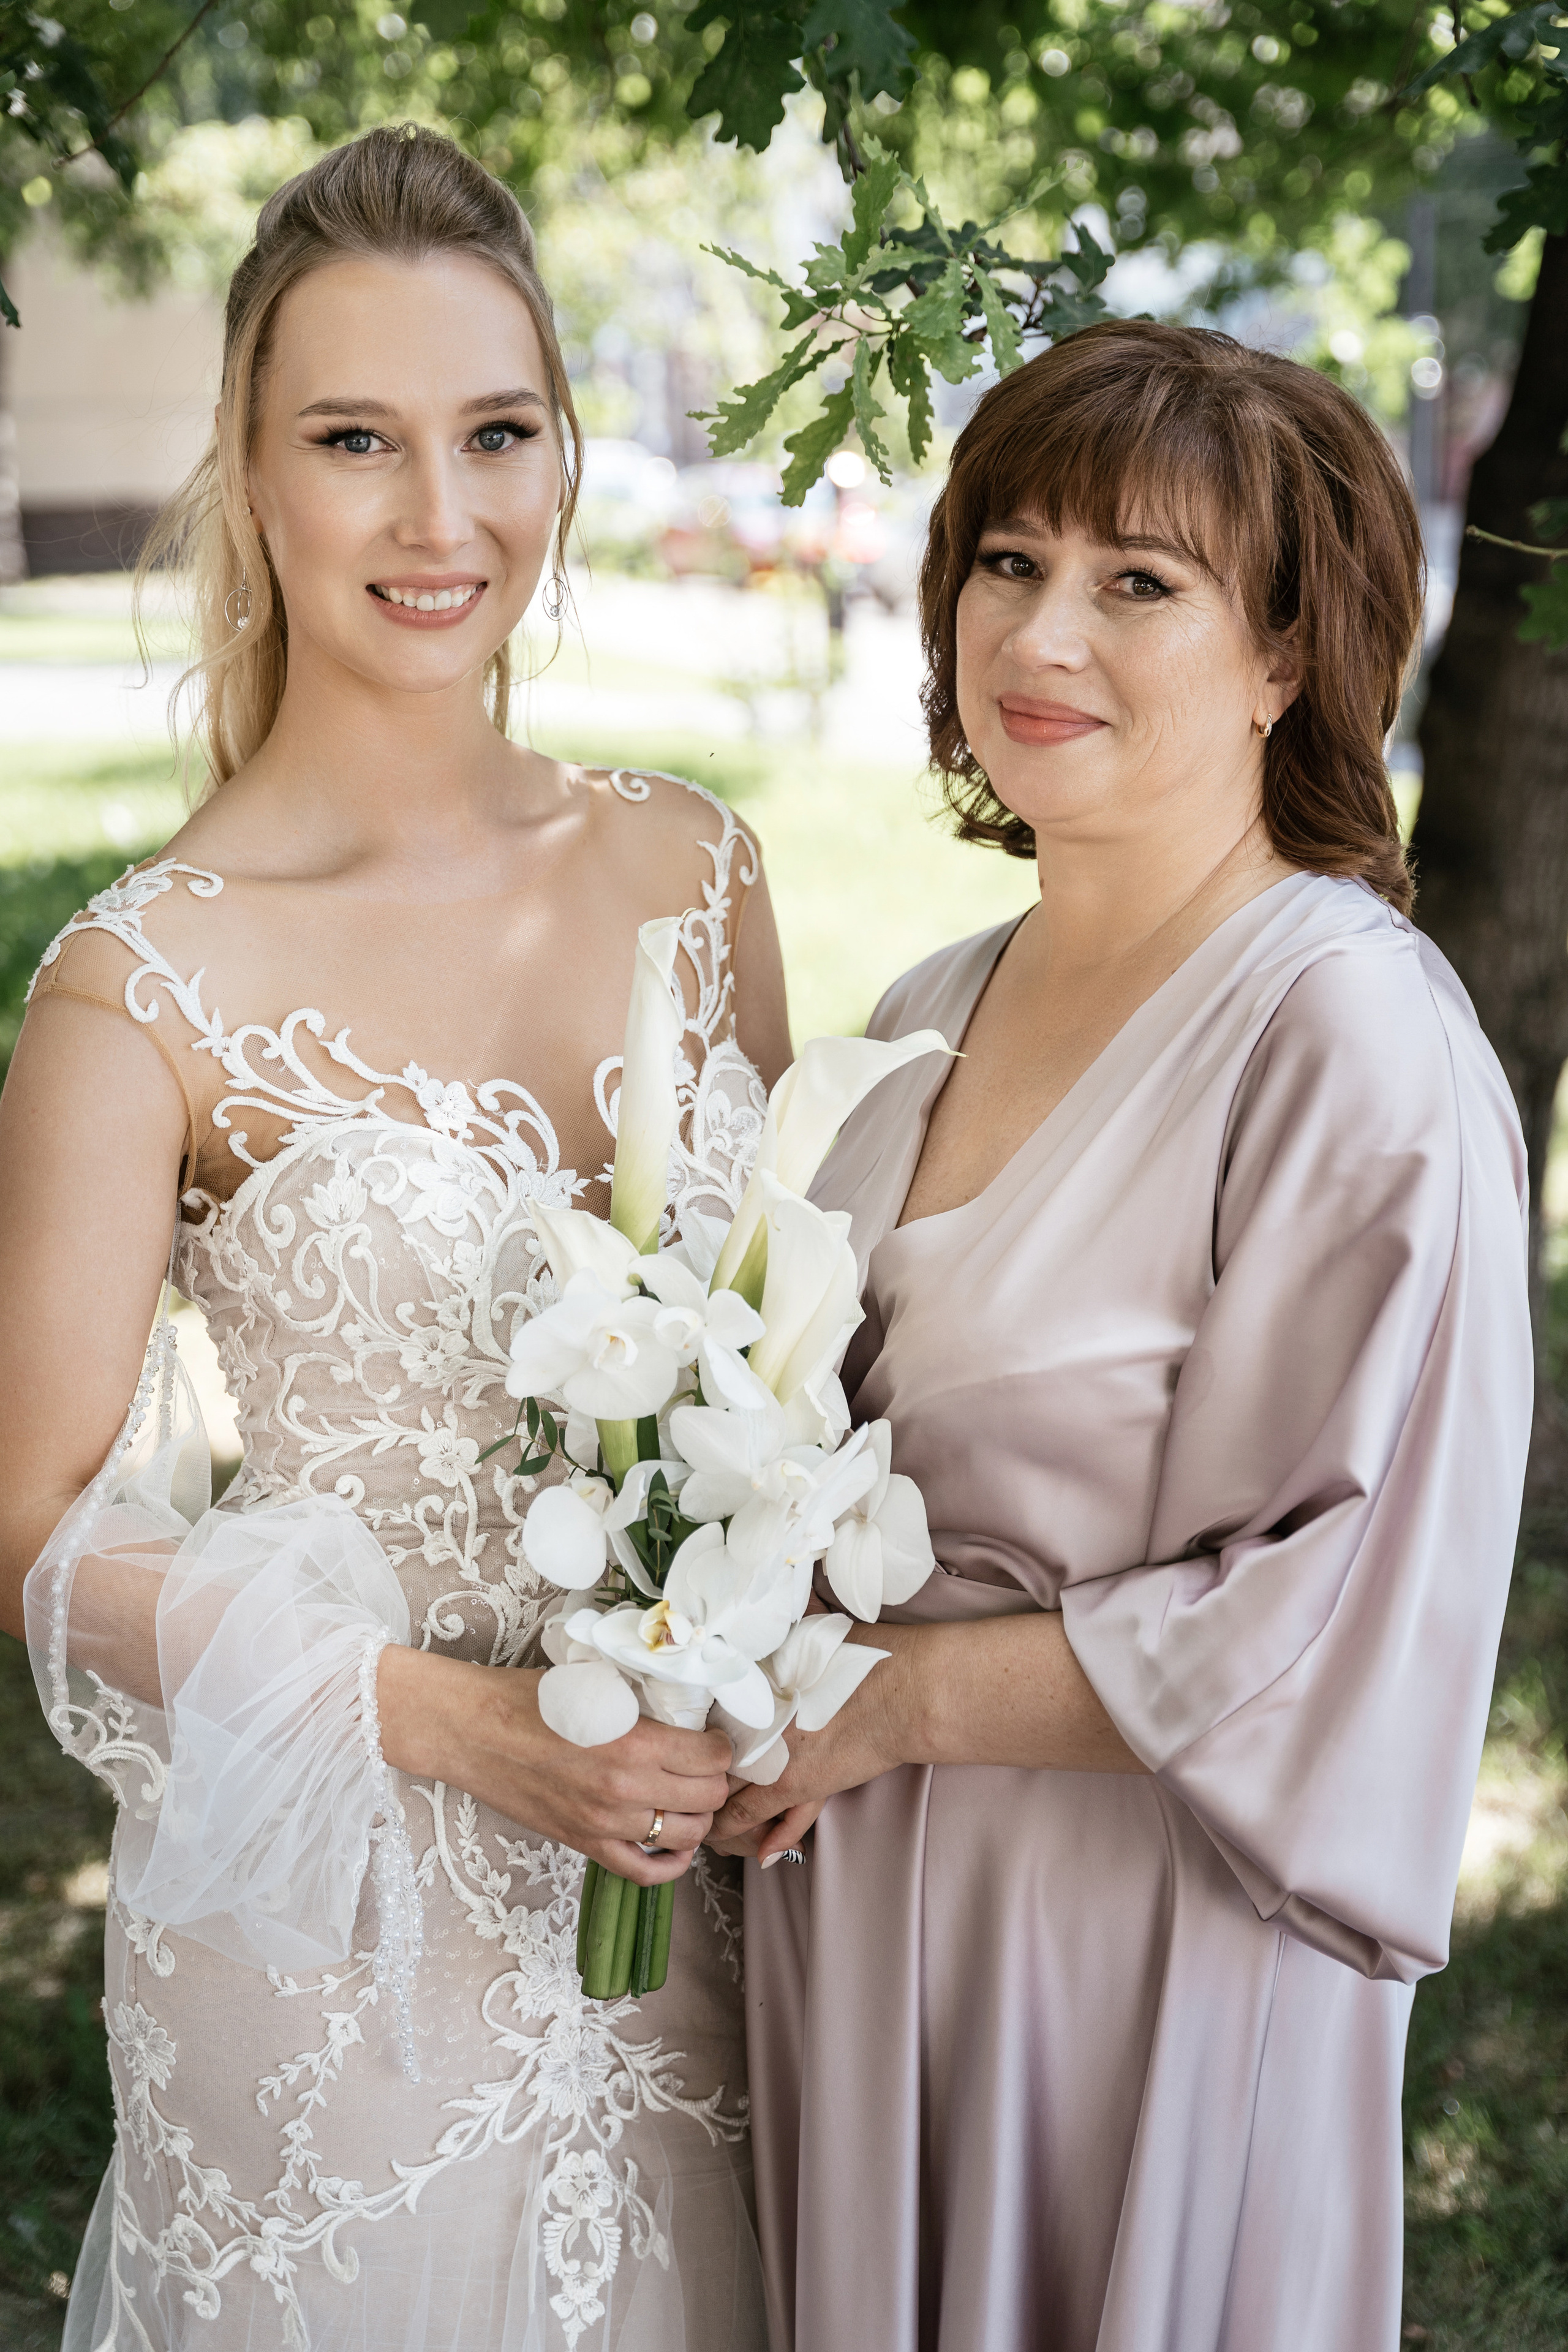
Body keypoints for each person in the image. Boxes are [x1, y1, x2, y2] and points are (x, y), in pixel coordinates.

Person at [0, 126, 789, 2351]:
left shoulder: (699, 872)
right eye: (358, 440)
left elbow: (784, 1363)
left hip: (700, 1911)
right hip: (351, 1951)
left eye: (496, 435)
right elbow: (32, 1519)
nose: (442, 521)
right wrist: (461, 1726)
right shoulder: (141, 985)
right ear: (252, 472)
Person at [715, 320, 1534, 2351]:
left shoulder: (1350, 1036)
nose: (1043, 629)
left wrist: (897, 1707)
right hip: (857, 1922)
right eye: (1009, 560)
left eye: (1138, 582)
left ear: (1287, 657)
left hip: (1147, 1949)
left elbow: (1331, 1609)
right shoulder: (917, 1015)